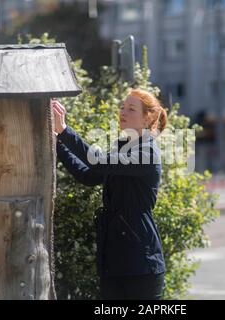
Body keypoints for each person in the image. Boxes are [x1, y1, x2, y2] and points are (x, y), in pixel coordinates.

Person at [51, 89, 168, 300]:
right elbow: (88, 175)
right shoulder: (123, 149)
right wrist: (58, 143)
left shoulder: (147, 153)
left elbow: (97, 161)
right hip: (114, 260)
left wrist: (65, 131)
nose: (123, 112)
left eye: (131, 109)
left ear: (147, 118)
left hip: (141, 263)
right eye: (122, 107)